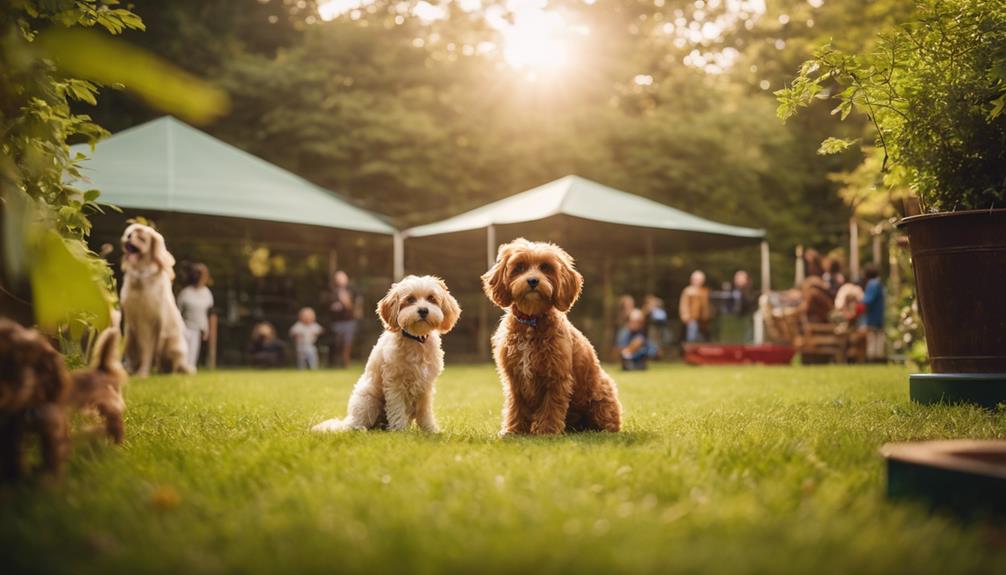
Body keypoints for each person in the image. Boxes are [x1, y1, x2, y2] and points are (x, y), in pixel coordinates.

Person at [176, 263, 214, 372]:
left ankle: (189, 371)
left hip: (198, 330)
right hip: (184, 328)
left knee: (192, 358)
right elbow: (178, 312)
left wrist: (207, 330)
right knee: (182, 354)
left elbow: (208, 313)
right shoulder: (185, 293)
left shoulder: (207, 293)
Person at [326, 270, 359, 368]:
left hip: (349, 321)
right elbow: (327, 306)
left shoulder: (352, 291)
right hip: (335, 322)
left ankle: (346, 362)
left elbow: (353, 307)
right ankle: (334, 363)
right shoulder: (331, 292)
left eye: (342, 278)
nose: (340, 280)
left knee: (347, 343)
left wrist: (345, 301)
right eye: (338, 278)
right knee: (336, 343)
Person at [861, 265, 886, 362]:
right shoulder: (879, 283)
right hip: (879, 315)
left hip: (873, 316)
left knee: (872, 338)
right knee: (879, 337)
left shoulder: (872, 284)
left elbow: (867, 300)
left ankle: (872, 358)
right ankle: (878, 357)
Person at [679, 270, 711, 343]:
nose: (698, 281)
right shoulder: (688, 291)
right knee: (691, 338)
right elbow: (684, 305)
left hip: (703, 320)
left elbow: (707, 306)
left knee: (702, 339)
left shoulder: (704, 291)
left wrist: (707, 316)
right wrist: (685, 316)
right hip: (691, 319)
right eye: (696, 279)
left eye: (700, 280)